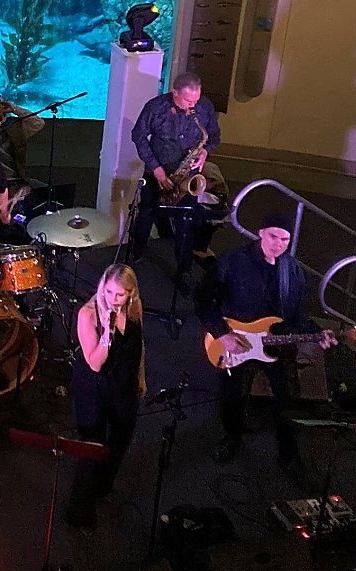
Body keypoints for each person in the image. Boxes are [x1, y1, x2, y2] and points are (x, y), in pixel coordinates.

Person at [200, 218, 335, 467]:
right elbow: (203, 298)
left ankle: (288, 453)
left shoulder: (292, 271)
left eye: (285, 239)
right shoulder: (234, 260)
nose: (278, 244)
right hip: (234, 339)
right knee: (231, 394)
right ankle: (232, 436)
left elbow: (296, 316)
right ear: (260, 232)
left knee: (286, 396)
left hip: (275, 343)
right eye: (273, 236)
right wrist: (222, 334)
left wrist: (316, 335)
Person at [66, 264, 146, 529]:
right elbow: (96, 363)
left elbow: (139, 344)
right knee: (93, 447)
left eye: (120, 294)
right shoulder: (88, 315)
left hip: (124, 383)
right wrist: (107, 335)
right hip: (95, 386)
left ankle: (103, 487)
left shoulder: (135, 308)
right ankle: (79, 511)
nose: (113, 299)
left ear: (131, 294)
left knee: (121, 439)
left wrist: (141, 376)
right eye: (109, 291)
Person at [130, 71, 222, 272]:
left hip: (186, 177)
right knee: (146, 215)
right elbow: (138, 135)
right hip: (157, 173)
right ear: (175, 93)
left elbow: (214, 136)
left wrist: (205, 152)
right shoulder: (156, 107)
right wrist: (156, 169)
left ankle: (183, 272)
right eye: (189, 100)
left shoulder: (204, 107)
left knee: (186, 222)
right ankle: (132, 259)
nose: (193, 106)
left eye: (196, 100)